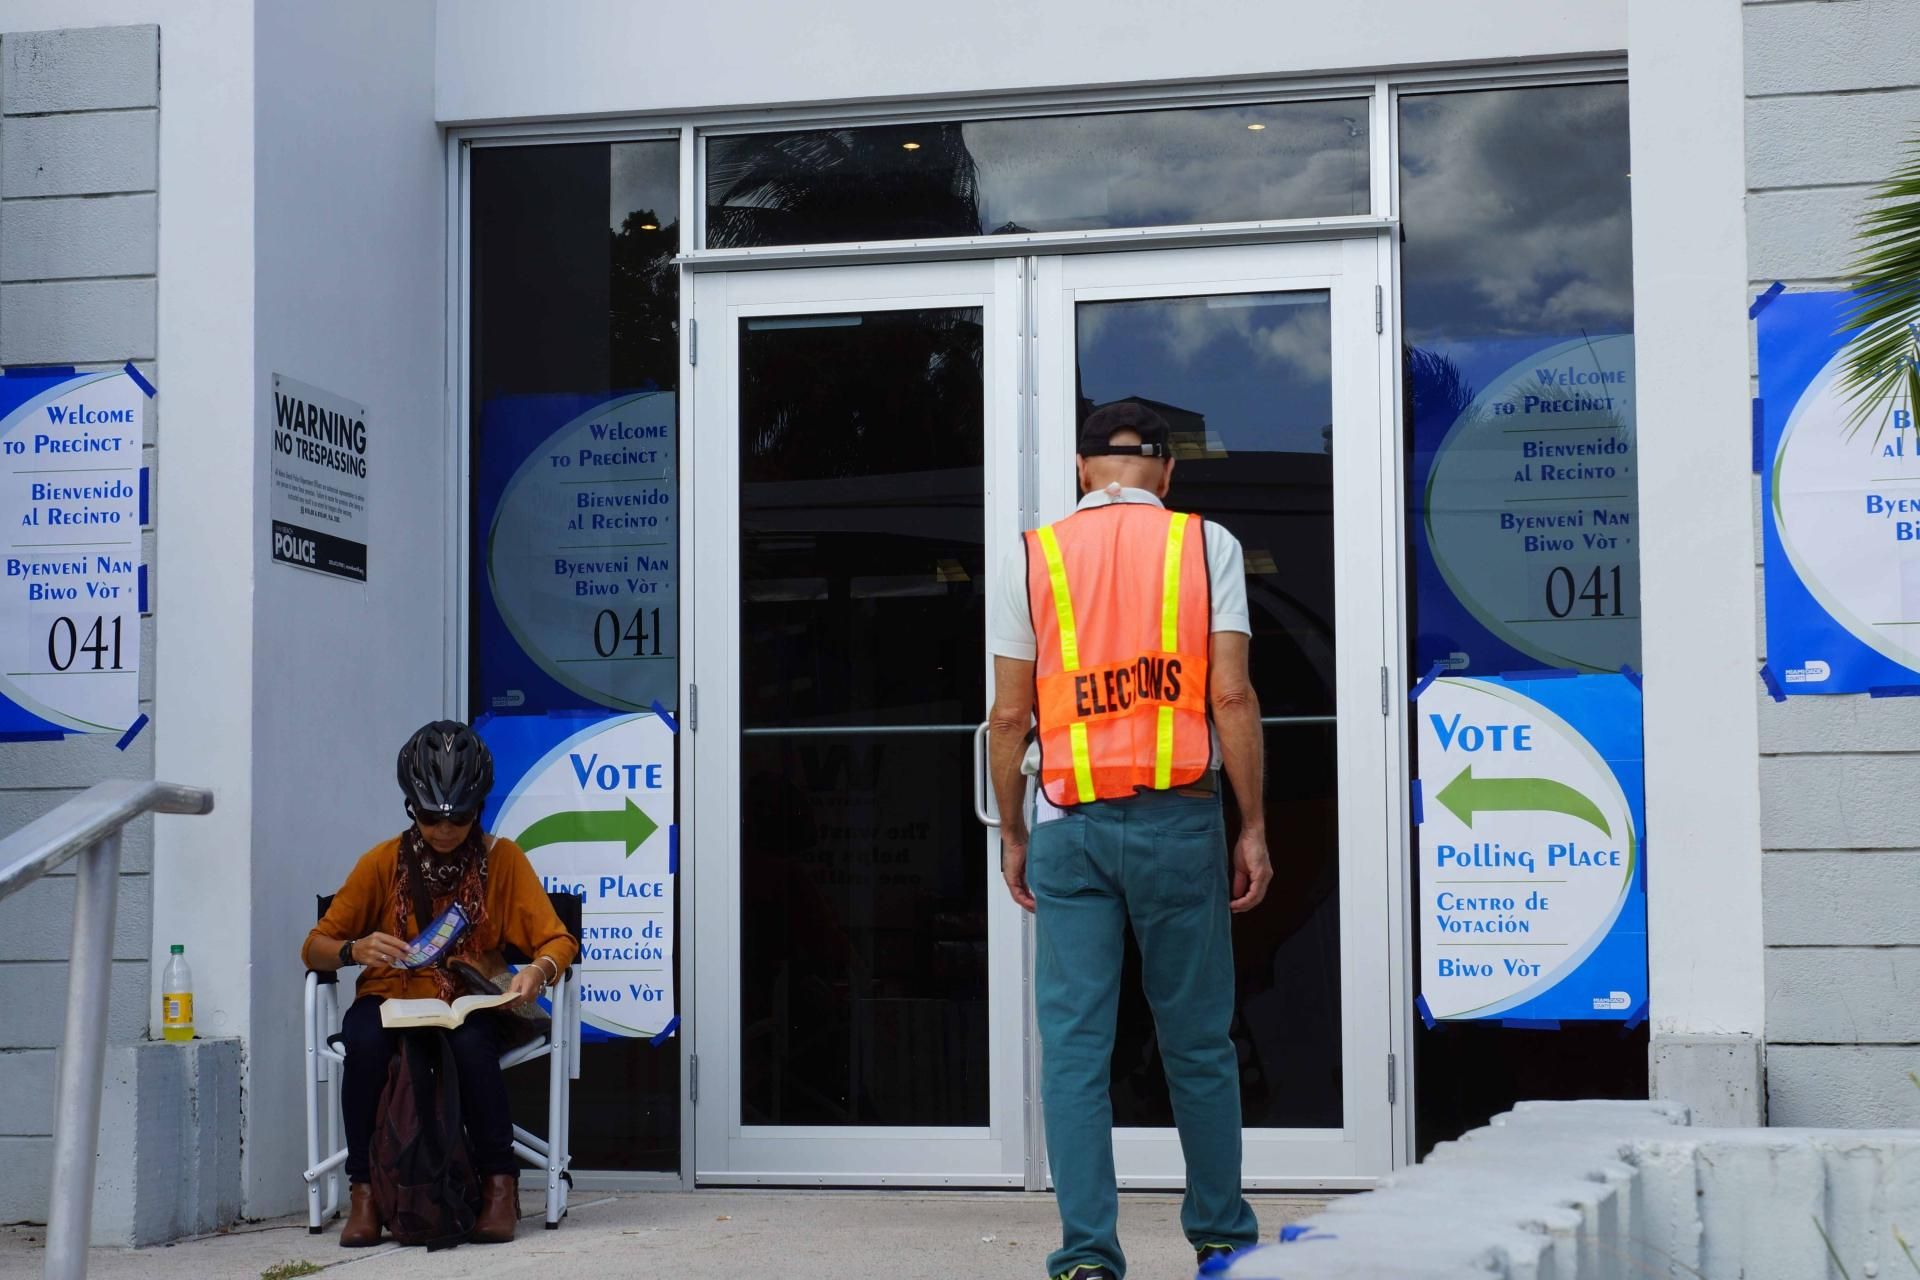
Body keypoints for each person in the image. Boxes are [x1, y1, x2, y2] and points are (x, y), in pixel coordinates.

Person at [986, 401, 1274, 1280]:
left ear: (1083, 469)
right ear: (1167, 470)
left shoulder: (1033, 555)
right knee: (1197, 1042)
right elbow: (1231, 696)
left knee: (1076, 1050)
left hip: (1069, 826)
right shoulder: (1205, 544)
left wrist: (1012, 831)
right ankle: (1220, 1238)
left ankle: (1086, 1257)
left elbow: (1009, 717)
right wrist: (1252, 825)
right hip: (1179, 821)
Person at [301, 720, 578, 1247]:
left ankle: (499, 1186)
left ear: (479, 810)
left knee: (471, 1043)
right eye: (431, 818)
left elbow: (557, 939)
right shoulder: (382, 863)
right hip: (390, 997)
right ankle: (365, 1192)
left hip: (468, 1001)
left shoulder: (503, 860)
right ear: (411, 808)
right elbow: (314, 946)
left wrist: (537, 971)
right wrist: (353, 950)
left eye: (460, 818)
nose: (445, 831)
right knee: (364, 1043)